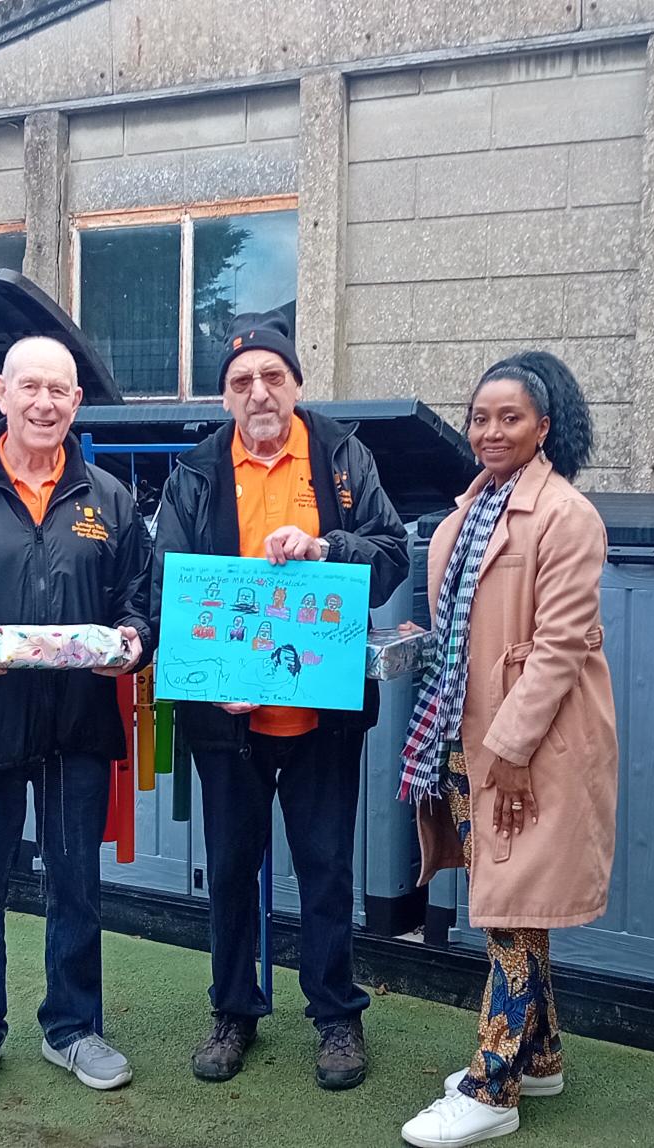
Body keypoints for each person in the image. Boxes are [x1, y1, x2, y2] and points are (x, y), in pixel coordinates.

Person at [153, 311, 410, 1090]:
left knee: (326, 865)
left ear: (296, 383)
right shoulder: (196, 470)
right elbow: (168, 584)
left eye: (272, 377)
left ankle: (336, 1016)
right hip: (226, 717)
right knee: (231, 867)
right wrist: (210, 672)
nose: (258, 393)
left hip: (321, 712)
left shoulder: (340, 456)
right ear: (224, 397)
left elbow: (394, 552)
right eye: (241, 383)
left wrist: (327, 547)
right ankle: (233, 1010)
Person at [0, 336, 153, 1106]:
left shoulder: (109, 498)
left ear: (78, 403)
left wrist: (135, 644)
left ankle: (72, 1027)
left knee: (76, 882)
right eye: (31, 387)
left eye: (61, 390)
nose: (46, 403)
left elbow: (137, 605)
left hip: (79, 724)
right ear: (1, 393)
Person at [396, 352, 618, 1148]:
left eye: (510, 418)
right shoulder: (472, 510)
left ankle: (494, 1085)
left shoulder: (566, 515)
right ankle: (545, 1055)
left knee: (511, 911)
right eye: (480, 418)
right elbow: (466, 625)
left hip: (529, 744)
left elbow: (559, 647)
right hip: (467, 732)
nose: (491, 431)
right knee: (512, 900)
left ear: (545, 426)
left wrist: (513, 750)